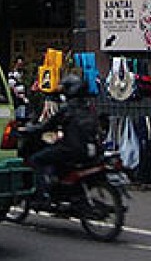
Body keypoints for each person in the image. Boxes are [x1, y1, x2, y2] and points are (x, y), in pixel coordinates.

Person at [21, 74, 98, 207]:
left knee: (36, 160)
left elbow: (47, 125)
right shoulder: (88, 108)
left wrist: (28, 129)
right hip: (90, 150)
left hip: (70, 149)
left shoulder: (68, 109)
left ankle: (42, 195)